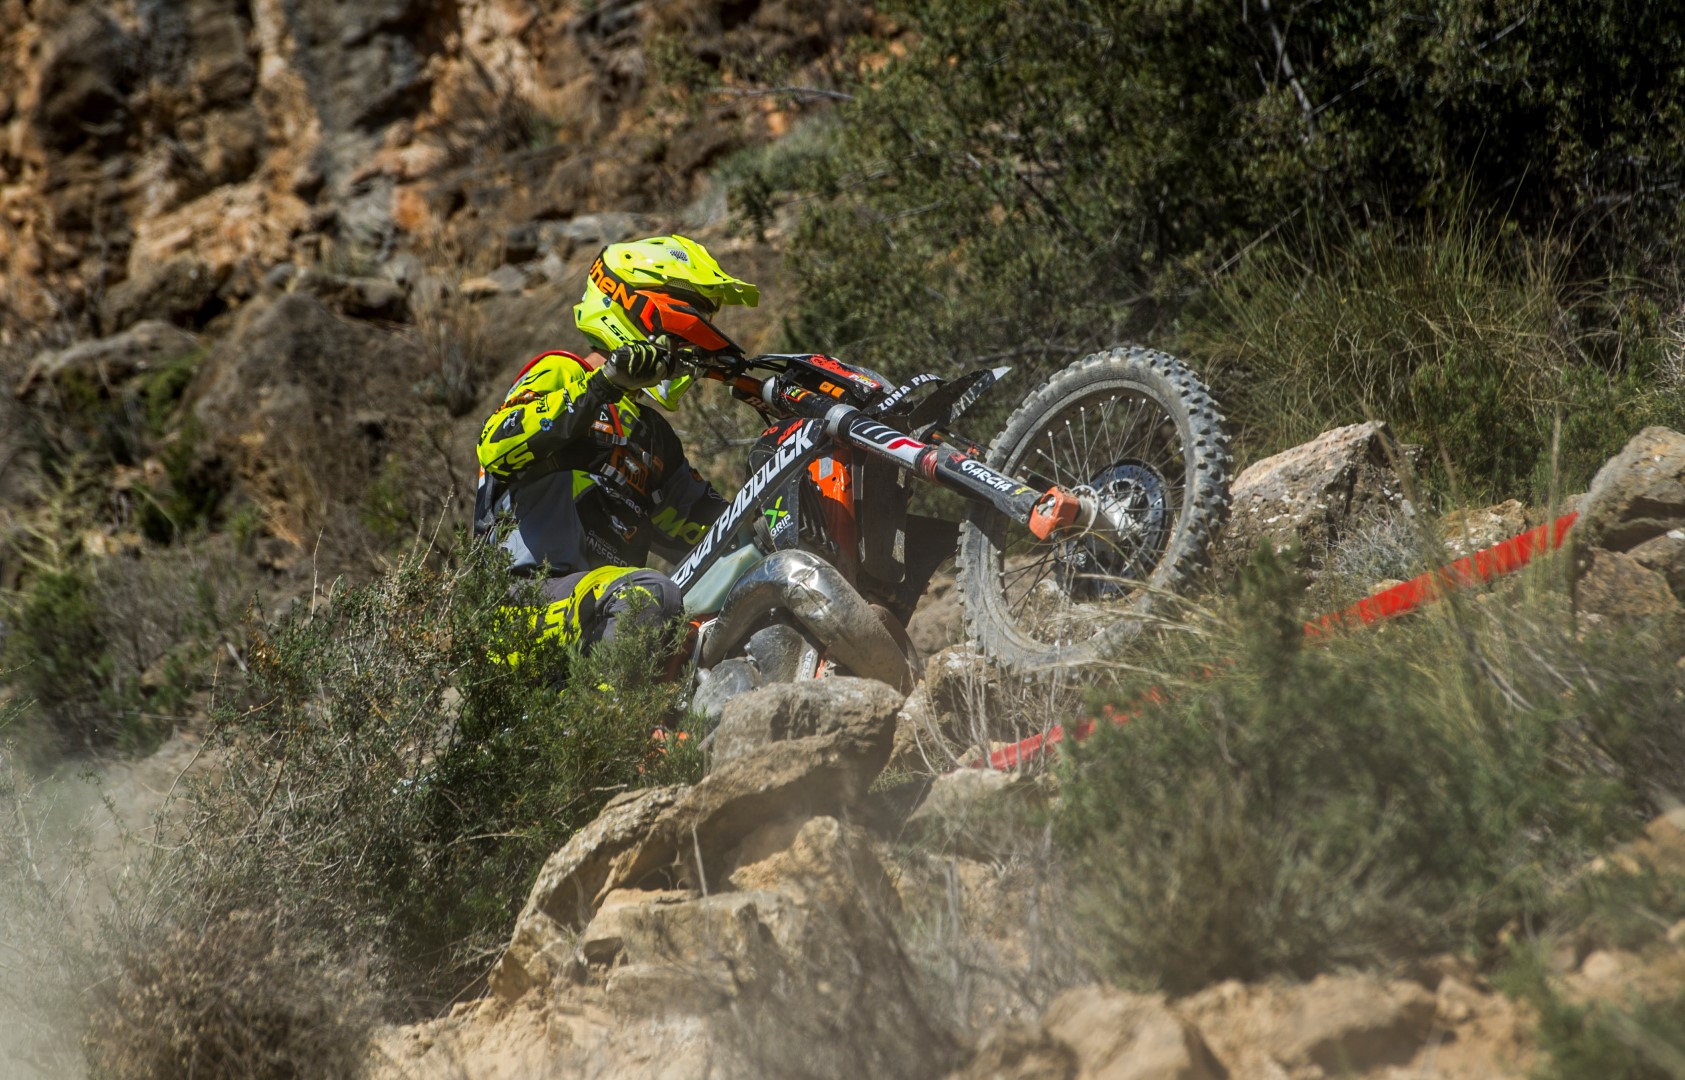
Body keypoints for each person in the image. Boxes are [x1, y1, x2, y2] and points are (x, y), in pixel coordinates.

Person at [473, 235, 759, 663]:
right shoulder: (561, 372)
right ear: (632, 305)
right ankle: (605, 729)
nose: (689, 342)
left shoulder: (653, 437)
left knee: (723, 611)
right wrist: (603, 384)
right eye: (686, 322)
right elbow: (496, 445)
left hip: (605, 610)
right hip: (521, 607)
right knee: (650, 596)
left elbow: (713, 530)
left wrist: (773, 523)